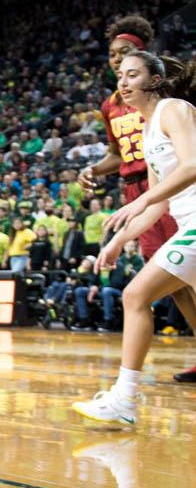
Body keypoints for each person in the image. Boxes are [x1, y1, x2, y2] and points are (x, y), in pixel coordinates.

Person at [73, 51, 196, 423]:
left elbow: (193, 165)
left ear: (154, 81)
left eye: (132, 75)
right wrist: (116, 242)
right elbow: (157, 207)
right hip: (187, 222)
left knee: (135, 295)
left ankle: (124, 400)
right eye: (120, 77)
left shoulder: (175, 109)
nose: (123, 83)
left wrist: (141, 197)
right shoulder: (146, 129)